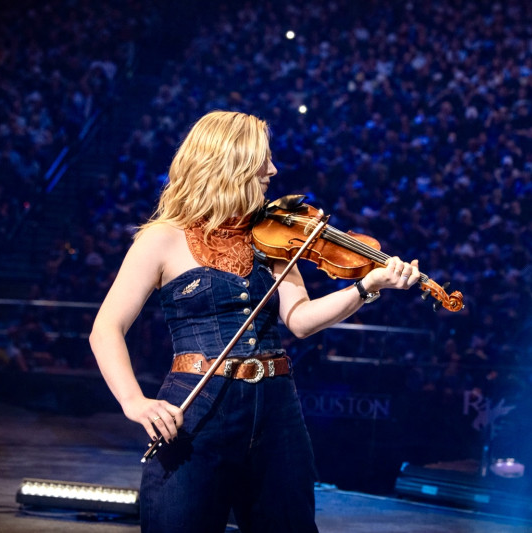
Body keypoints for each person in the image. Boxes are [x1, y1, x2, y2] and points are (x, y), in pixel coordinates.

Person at [89, 110, 420, 533]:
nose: (274, 170)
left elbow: (300, 320)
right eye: (264, 159)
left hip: (277, 409)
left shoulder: (269, 236)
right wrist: (134, 402)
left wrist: (367, 286)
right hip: (199, 407)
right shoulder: (162, 238)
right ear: (231, 162)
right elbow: (106, 328)